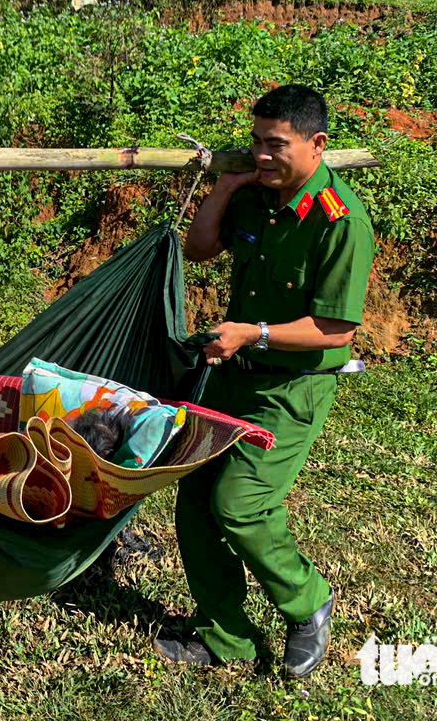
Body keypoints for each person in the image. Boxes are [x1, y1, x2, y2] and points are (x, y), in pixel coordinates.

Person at [154, 84, 374, 678]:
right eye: (255, 142)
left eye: (275, 144)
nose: (261, 155)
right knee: (196, 503)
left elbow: (334, 329)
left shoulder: (340, 221)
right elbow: (199, 249)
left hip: (290, 389)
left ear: (316, 144)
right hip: (233, 380)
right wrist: (223, 189)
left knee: (239, 505)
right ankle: (226, 636)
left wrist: (255, 333)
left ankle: (307, 600)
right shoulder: (258, 196)